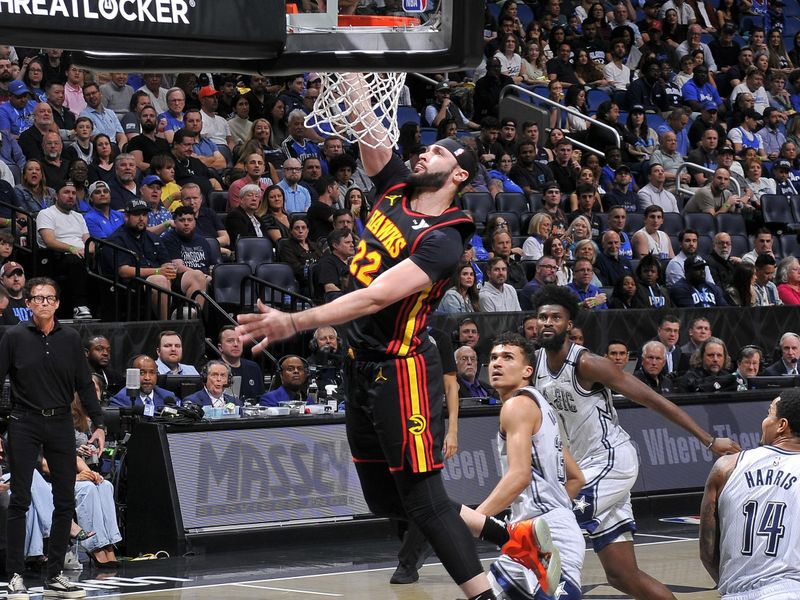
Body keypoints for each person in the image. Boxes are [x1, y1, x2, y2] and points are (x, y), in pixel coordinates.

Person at [236, 72, 548, 599]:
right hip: (360, 365)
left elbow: (375, 296)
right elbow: (371, 135)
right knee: (385, 501)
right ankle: (510, 536)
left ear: (460, 175)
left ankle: (487, 594)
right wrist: (355, 74)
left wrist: (294, 321)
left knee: (424, 500)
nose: (423, 155)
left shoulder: (445, 240)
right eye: (425, 150)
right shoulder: (399, 186)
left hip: (402, 371)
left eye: (439, 154)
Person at [530, 285, 740, 600]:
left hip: (610, 461)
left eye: (555, 317)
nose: (547, 322)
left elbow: (652, 399)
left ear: (569, 324)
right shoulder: (536, 366)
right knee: (622, 575)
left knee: (551, 530)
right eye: (543, 317)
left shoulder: (587, 364)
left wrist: (708, 441)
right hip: (580, 468)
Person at [0, 276, 105, 599]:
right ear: (28, 304)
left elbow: (84, 385)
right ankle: (15, 575)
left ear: (58, 303)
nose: (43, 303)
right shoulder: (14, 336)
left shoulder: (71, 338)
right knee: (19, 499)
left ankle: (55, 575)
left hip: (60, 422)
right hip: (23, 421)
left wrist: (99, 423)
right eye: (37, 298)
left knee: (64, 500)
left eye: (49, 298)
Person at [477, 333, 584, 599]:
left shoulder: (516, 406)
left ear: (528, 370)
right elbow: (576, 478)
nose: (497, 363)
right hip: (530, 534)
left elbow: (520, 475)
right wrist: (558, 510)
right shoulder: (540, 405)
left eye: (507, 357)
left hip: (548, 536)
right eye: (493, 358)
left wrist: (476, 522)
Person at [700, 389, 800, 599]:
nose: (764, 421)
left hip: (733, 592)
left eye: (769, 413)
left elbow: (708, 553)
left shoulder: (726, 466)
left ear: (782, 425)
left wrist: (734, 585)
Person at [216, 326, 264, 402]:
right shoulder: (213, 370)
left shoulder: (253, 367)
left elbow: (261, 398)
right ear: (220, 347)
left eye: (239, 340)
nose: (236, 344)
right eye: (230, 341)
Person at [314, 229, 355, 304]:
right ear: (335, 245)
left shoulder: (352, 262)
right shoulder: (327, 263)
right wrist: (353, 299)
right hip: (335, 306)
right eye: (347, 242)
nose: (352, 245)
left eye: (352, 242)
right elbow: (330, 288)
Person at [83, 335, 124, 402]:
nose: (106, 353)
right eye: (99, 349)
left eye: (108, 350)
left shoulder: (115, 377)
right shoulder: (77, 377)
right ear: (86, 353)